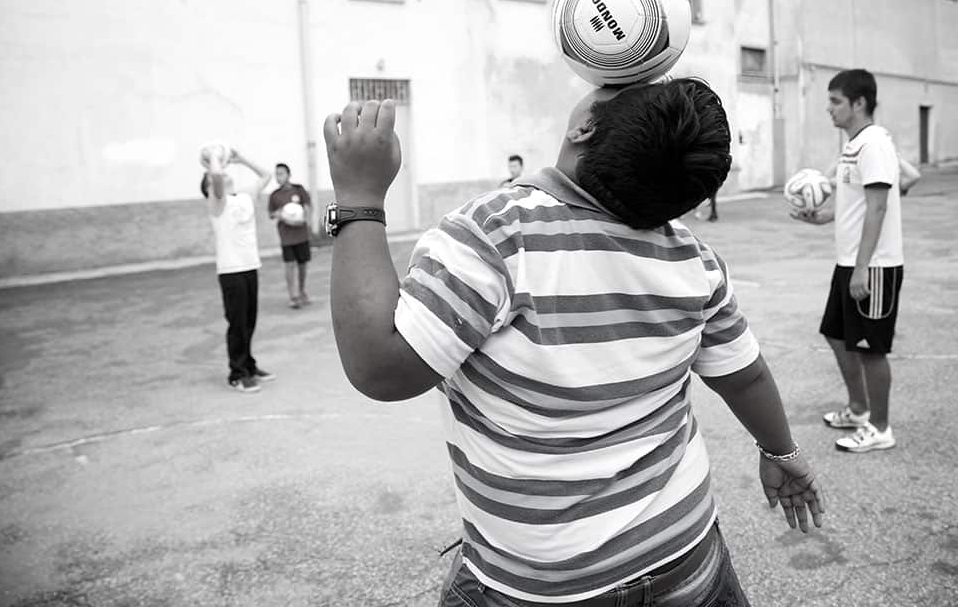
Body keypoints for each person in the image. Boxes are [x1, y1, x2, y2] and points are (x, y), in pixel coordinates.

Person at [321, 81, 824, 606]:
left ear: (584, 128)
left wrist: (360, 198)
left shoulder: (497, 235)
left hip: (544, 585)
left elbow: (381, 369)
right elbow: (745, 375)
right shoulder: (693, 258)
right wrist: (780, 451)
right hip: (685, 553)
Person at [793, 69, 904, 453]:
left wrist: (861, 268)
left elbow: (877, 207)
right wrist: (822, 217)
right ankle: (859, 409)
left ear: (859, 103)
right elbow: (855, 206)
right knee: (836, 334)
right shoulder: (853, 145)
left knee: (871, 348)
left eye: (836, 101)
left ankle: (880, 428)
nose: (829, 108)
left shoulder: (874, 144)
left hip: (873, 266)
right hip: (850, 262)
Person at [201, 147, 276, 393]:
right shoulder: (217, 204)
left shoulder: (243, 197)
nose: (223, 176)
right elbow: (217, 177)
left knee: (249, 321)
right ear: (210, 188)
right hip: (231, 271)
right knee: (237, 324)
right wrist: (214, 157)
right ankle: (237, 374)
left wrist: (241, 159)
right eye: (215, 178)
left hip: (250, 266)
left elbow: (266, 175)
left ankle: (249, 366)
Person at [267, 162, 313, 309]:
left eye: (281, 173)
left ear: (288, 174)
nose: (278, 177)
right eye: (276, 174)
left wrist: (303, 219)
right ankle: (293, 296)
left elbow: (307, 206)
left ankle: (302, 291)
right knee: (289, 265)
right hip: (286, 236)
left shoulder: (299, 189)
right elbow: (271, 214)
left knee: (302, 265)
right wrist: (282, 215)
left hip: (301, 234)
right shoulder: (274, 195)